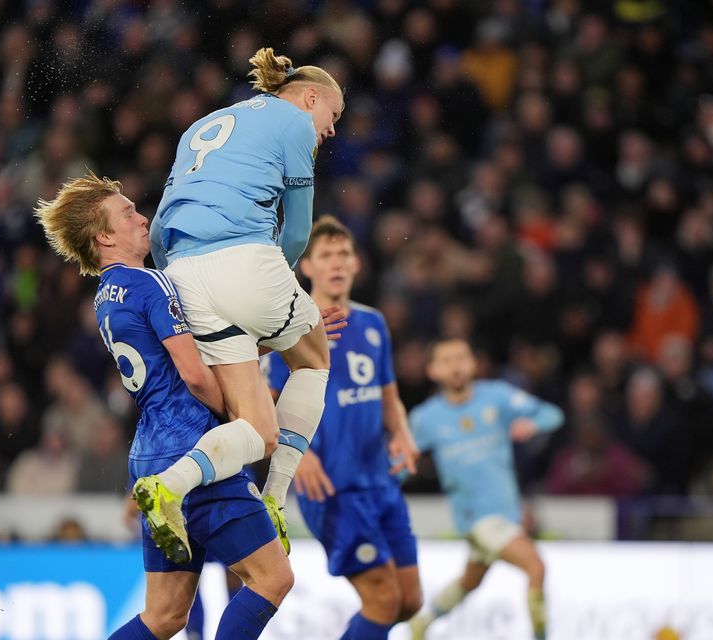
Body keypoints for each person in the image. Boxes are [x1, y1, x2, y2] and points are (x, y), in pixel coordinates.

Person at [36, 173, 292, 640]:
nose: (143, 219)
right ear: (104, 236)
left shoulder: (106, 294)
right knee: (273, 579)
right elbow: (194, 374)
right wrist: (238, 418)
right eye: (129, 213)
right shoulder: (152, 284)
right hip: (194, 450)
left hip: (150, 453)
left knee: (166, 616)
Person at [149, 47, 345, 550]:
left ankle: (168, 486)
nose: (332, 129)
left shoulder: (202, 123)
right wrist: (271, 291)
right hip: (245, 258)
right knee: (315, 358)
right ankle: (276, 498)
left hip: (184, 271)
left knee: (258, 427)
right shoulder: (296, 126)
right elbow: (298, 233)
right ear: (309, 97)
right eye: (333, 114)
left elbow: (155, 231)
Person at [264, 216, 423, 640]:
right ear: (308, 267)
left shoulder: (373, 324)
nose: (337, 263)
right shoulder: (295, 326)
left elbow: (388, 395)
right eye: (326, 255)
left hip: (381, 482)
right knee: (383, 600)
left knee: (409, 601)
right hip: (332, 487)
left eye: (344, 254)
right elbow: (267, 402)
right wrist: (302, 456)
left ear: (357, 264)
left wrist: (403, 433)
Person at [407, 337, 564, 640]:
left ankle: (422, 625)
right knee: (536, 567)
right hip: (475, 516)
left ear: (473, 364)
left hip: (508, 512)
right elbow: (400, 461)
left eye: (461, 358)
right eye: (447, 360)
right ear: (433, 371)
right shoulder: (425, 418)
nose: (455, 367)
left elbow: (552, 415)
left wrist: (533, 425)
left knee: (470, 581)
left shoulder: (497, 397)